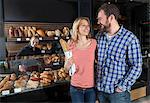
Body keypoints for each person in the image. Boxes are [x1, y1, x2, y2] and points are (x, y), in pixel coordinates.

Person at [95, 3, 143, 103]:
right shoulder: (99, 36)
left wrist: (121, 87)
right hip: (101, 91)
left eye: (100, 18)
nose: (98, 22)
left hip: (118, 95)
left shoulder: (130, 39)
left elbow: (136, 66)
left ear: (111, 17)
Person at [64, 17, 97, 103]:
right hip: (76, 88)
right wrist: (68, 63)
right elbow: (66, 68)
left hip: (91, 88)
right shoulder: (70, 44)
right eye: (83, 25)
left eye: (88, 26)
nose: (87, 28)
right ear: (77, 28)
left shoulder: (94, 43)